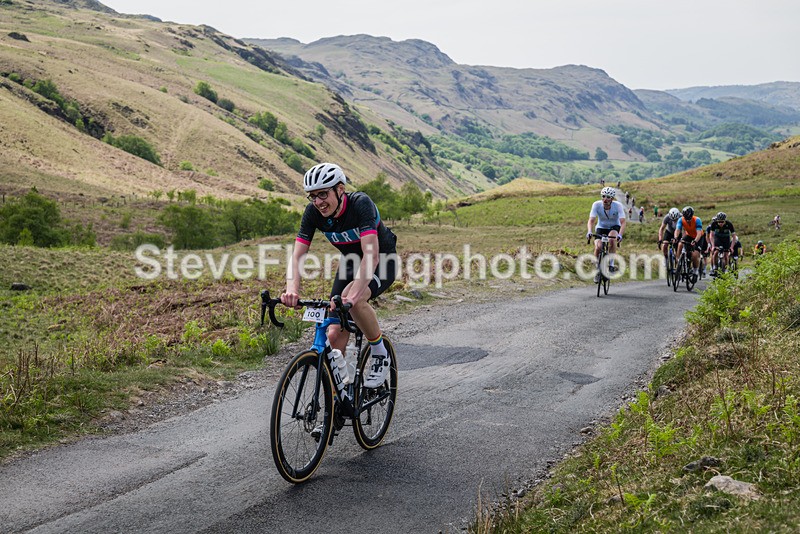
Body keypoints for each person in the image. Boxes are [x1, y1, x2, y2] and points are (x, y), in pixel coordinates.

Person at [281, 163, 398, 388]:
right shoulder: (313, 213)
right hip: (351, 264)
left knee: (353, 299)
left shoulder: (361, 205)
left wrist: (353, 297)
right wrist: (292, 290)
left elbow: (370, 257)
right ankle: (338, 401)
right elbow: (297, 257)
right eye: (312, 196)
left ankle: (379, 352)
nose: (318, 202)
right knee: (333, 335)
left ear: (340, 189)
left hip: (382, 260)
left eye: (323, 194)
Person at [587, 187, 627, 283]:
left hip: (614, 226)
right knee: (598, 247)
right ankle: (597, 269)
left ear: (612, 199)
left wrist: (620, 235)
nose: (605, 199)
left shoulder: (618, 206)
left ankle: (611, 265)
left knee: (612, 240)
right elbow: (591, 220)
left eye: (608, 197)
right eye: (603, 196)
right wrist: (589, 231)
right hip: (601, 227)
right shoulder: (596, 205)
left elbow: (623, 222)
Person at [674, 206, 703, 282]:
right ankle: (678, 263)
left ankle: (695, 272)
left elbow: (699, 233)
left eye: (689, 219)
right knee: (680, 244)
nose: (688, 221)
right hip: (689, 235)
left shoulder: (697, 220)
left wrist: (695, 241)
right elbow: (678, 230)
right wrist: (676, 237)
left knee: (694, 255)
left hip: (698, 237)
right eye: (686, 219)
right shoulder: (681, 219)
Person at [708, 211, 737, 276]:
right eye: (719, 222)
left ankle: (725, 269)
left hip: (726, 239)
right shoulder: (714, 224)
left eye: (722, 222)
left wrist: (731, 247)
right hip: (717, 238)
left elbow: (734, 237)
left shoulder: (729, 224)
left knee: (726, 255)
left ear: (725, 221)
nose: (720, 223)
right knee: (715, 252)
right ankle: (714, 267)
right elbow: (711, 236)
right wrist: (712, 246)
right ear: (717, 221)